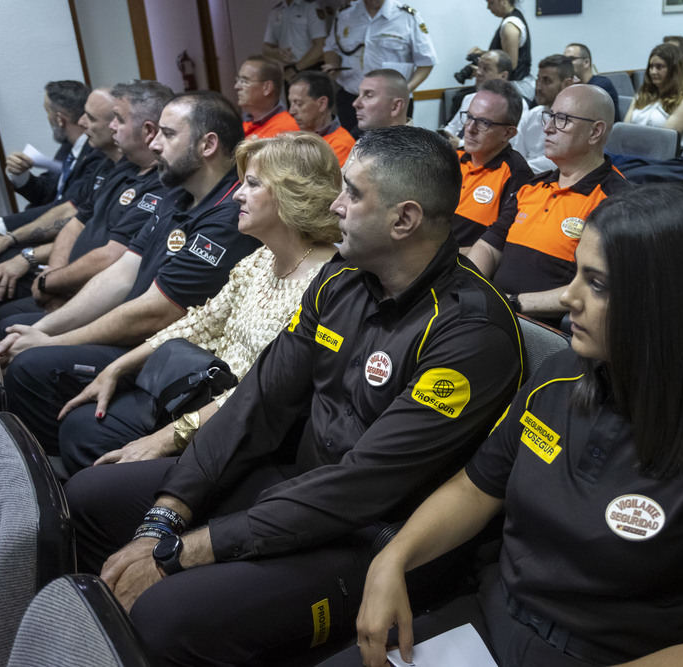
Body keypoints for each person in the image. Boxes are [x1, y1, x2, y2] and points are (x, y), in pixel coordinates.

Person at [64, 126, 524, 665]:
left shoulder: (471, 333)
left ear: (404, 219)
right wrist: (167, 514)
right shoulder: (343, 278)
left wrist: (183, 551)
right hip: (297, 484)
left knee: (169, 614)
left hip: (377, 534)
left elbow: (365, 483)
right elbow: (256, 401)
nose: (335, 205)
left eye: (352, 193)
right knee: (91, 497)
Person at [341, 184, 683, 667]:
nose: (567, 298)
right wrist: (395, 557)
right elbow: (475, 489)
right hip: (490, 624)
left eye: (597, 285)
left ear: (665, 306)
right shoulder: (558, 376)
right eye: (577, 273)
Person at [55, 132, 341, 473]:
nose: (237, 195)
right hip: (202, 397)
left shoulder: (329, 283)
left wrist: (166, 438)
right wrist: (116, 367)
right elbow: (200, 322)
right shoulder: (262, 257)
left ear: (292, 194)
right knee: (82, 424)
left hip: (248, 434)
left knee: (90, 448)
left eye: (252, 184)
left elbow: (263, 393)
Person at [0, 91, 260, 453]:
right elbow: (119, 275)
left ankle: (48, 480)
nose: (153, 143)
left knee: (30, 367)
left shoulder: (229, 213)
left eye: (167, 134)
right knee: (23, 342)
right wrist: (41, 329)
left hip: (163, 350)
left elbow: (155, 311)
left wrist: (51, 341)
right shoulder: (177, 193)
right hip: (134, 334)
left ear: (207, 144)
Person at [0, 81, 173, 331]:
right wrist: (53, 277)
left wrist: (47, 279)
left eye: (117, 119)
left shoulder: (161, 185)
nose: (110, 126)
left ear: (148, 130)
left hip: (97, 297)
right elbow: (74, 221)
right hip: (65, 282)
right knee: (2, 313)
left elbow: (112, 255)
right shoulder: (121, 167)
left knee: (7, 327)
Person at [468, 84, 630, 323]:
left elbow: (598, 286)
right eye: (550, 116)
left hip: (546, 329)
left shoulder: (617, 201)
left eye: (563, 119)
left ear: (595, 132)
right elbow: (489, 247)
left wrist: (512, 302)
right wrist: (470, 287)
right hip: (493, 313)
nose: (548, 127)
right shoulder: (533, 186)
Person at [0, 87, 120, 317]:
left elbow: (103, 242)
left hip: (79, 265)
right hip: (57, 255)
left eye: (89, 117)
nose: (81, 123)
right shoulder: (82, 154)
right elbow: (66, 210)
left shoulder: (101, 159)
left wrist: (29, 258)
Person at [322, 0, 437, 135]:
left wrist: (405, 90)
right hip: (351, 99)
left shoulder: (407, 17)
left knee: (394, 148)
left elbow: (426, 62)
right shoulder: (345, 15)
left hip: (391, 104)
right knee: (350, 148)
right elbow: (331, 48)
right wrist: (333, 65)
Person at [452, 80, 533, 248]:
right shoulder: (452, 157)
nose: (470, 128)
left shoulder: (516, 174)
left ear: (508, 133)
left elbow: (503, 246)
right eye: (469, 117)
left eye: (483, 123)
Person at [6, 80, 105, 209]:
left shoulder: (96, 153)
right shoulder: (68, 147)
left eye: (47, 111)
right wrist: (20, 174)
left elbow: (66, 207)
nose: (47, 117)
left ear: (60, 119)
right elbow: (45, 193)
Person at [443, 50, 527, 149]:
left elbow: (512, 143)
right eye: (479, 67)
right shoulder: (469, 97)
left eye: (486, 69)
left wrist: (461, 144)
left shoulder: (514, 104)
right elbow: (451, 127)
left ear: (503, 76)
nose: (478, 72)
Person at [513, 55, 574, 173]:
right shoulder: (532, 115)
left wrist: (520, 169)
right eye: (538, 80)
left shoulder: (575, 119)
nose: (539, 87)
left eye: (546, 81)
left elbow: (557, 161)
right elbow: (517, 152)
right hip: (524, 179)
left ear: (567, 84)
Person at [625, 43, 683, 144]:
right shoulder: (641, 95)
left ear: (673, 70)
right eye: (651, 67)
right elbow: (625, 130)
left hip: (661, 157)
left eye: (659, 67)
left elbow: (662, 140)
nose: (653, 72)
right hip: (632, 151)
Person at [469, 0, 534, 101]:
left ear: (503, 1)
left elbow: (510, 64)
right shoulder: (515, 17)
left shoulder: (510, 27)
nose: (488, 7)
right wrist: (483, 53)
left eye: (491, 3)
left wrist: (480, 71)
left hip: (516, 87)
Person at [287, 70, 355, 165]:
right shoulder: (291, 132)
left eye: (299, 104)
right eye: (291, 103)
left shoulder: (341, 145)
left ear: (322, 103)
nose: (291, 111)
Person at [235, 55, 300, 138]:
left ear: (267, 88)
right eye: (238, 80)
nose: (236, 86)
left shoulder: (286, 131)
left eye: (244, 81)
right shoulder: (247, 125)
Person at [262, 0, 328, 80]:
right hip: (288, 71)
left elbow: (320, 46)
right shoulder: (276, 11)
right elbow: (266, 48)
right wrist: (276, 52)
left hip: (311, 69)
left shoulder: (310, 7)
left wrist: (295, 69)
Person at [564, 42, 620, 118]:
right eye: (564, 60)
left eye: (570, 59)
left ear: (586, 62)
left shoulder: (602, 85)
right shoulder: (576, 85)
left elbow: (580, 113)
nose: (566, 64)